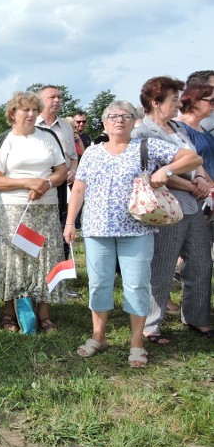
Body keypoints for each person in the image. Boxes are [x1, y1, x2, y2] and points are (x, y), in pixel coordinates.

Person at [65, 101, 201, 366]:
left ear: (133, 121)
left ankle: (137, 343)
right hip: (96, 230)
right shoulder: (92, 153)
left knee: (137, 284)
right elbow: (79, 189)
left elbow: (193, 158)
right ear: (104, 123)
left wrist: (165, 170)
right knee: (99, 283)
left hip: (137, 230)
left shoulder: (146, 147)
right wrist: (70, 223)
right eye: (113, 116)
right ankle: (98, 336)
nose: (119, 120)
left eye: (126, 116)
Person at [132, 77, 212, 342]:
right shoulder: (142, 133)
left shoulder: (179, 128)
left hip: (194, 206)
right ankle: (151, 325)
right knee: (162, 267)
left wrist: (200, 178)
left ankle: (197, 317)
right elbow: (154, 172)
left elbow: (194, 157)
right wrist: (191, 186)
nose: (179, 105)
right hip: (165, 208)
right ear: (156, 103)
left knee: (201, 263)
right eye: (174, 100)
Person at [0, 91, 68, 332]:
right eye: (26, 110)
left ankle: (44, 315)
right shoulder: (5, 140)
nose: (31, 114)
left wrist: (47, 183)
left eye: (34, 109)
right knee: (15, 259)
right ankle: (9, 314)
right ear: (13, 114)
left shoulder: (48, 137)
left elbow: (61, 171)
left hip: (46, 207)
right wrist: (28, 182)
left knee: (44, 258)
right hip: (12, 209)